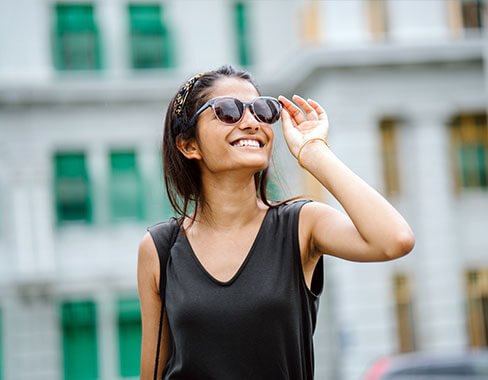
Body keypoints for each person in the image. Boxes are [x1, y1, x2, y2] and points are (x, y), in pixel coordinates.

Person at [137, 65, 415, 380]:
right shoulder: (160, 248)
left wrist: (313, 152)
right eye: (228, 111)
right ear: (189, 145)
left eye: (262, 111)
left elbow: (395, 239)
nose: (251, 122)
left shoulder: (301, 225)